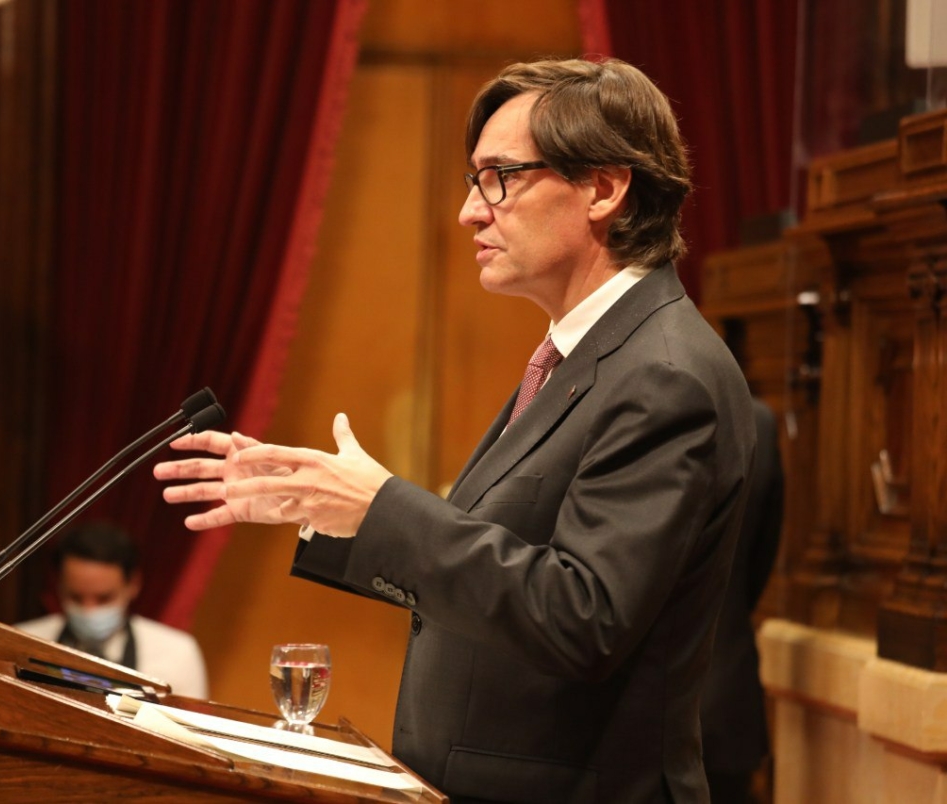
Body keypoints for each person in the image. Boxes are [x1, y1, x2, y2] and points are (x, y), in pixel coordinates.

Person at [155, 57, 755, 804]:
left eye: (499, 177)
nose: (470, 211)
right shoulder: (587, 355)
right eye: (475, 181)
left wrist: (383, 507)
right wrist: (328, 508)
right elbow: (497, 564)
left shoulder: (663, 372)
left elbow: (582, 617)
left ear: (603, 188)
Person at [15, 522, 208, 699]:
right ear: (58, 587)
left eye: (104, 598)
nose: (89, 610)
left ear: (133, 584)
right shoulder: (22, 641)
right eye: (76, 597)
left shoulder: (177, 652)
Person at [701, 399, 784, 803]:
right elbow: (760, 561)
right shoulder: (757, 421)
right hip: (726, 690)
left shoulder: (607, 400)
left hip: (629, 717)